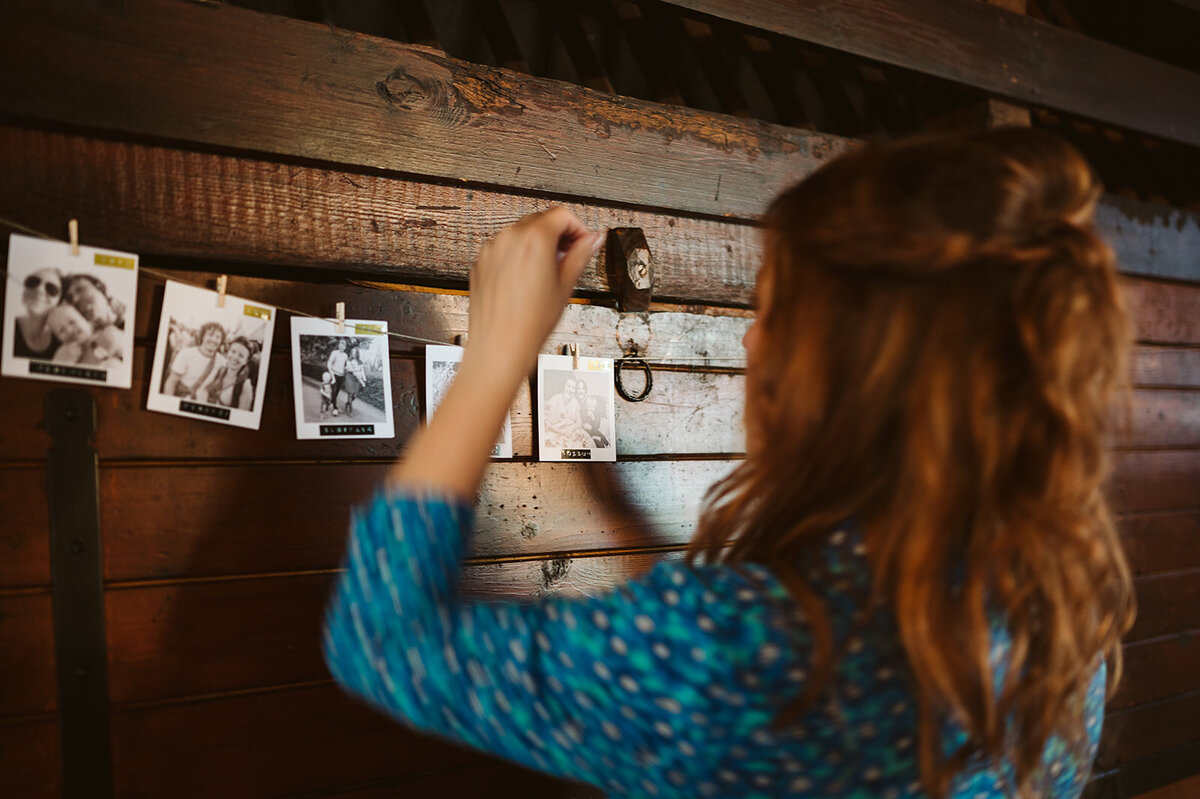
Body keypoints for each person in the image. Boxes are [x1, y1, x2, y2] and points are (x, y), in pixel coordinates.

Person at [322, 129, 1134, 798]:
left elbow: (383, 637)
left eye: (772, 309)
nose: (750, 341)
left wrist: (499, 351)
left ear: (847, 372)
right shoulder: (1053, 600)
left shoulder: (739, 649)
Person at [163, 322, 226, 399]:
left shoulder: (222, 362)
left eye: (218, 337)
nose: (214, 339)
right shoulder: (186, 354)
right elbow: (171, 383)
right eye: (210, 335)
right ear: (203, 336)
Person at [12, 267, 63, 359]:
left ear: (59, 302)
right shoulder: (7, 327)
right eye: (33, 282)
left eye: (51, 289)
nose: (39, 290)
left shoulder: (62, 341)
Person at [205, 336, 255, 410]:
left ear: (245, 361)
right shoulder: (220, 371)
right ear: (228, 352)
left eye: (241, 355)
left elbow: (240, 417)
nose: (235, 357)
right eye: (233, 351)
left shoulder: (245, 385)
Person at [342, 345, 368, 417]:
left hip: (357, 378)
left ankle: (347, 403)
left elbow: (362, 371)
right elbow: (349, 369)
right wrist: (356, 370)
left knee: (355, 395)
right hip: (350, 377)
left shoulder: (360, 362)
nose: (353, 353)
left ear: (357, 353)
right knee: (350, 393)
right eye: (352, 352)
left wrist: (364, 379)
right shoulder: (348, 360)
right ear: (351, 353)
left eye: (355, 352)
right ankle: (350, 410)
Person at [327, 338, 349, 416]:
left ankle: (330, 403)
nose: (342, 346)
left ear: (345, 347)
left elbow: (346, 365)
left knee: (336, 393)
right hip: (334, 375)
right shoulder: (334, 353)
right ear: (339, 345)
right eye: (341, 344)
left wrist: (347, 368)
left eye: (343, 345)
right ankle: (335, 408)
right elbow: (329, 362)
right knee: (333, 391)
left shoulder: (346, 355)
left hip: (341, 376)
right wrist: (332, 375)